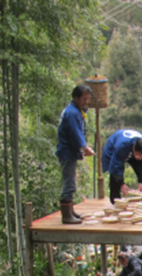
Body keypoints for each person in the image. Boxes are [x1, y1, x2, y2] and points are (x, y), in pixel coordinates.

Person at [55, 84, 94, 224]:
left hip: (70, 152)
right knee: (69, 184)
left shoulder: (76, 110)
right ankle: (66, 216)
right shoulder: (72, 113)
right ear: (76, 97)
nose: (86, 102)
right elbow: (75, 134)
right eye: (84, 99)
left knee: (71, 182)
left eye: (87, 99)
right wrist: (84, 148)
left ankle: (70, 211)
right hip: (67, 152)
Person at [101, 129, 142, 201]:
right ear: (133, 148)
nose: (139, 158)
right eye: (138, 155)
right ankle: (116, 201)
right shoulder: (121, 146)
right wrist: (122, 184)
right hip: (115, 148)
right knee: (114, 174)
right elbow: (116, 167)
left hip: (132, 150)